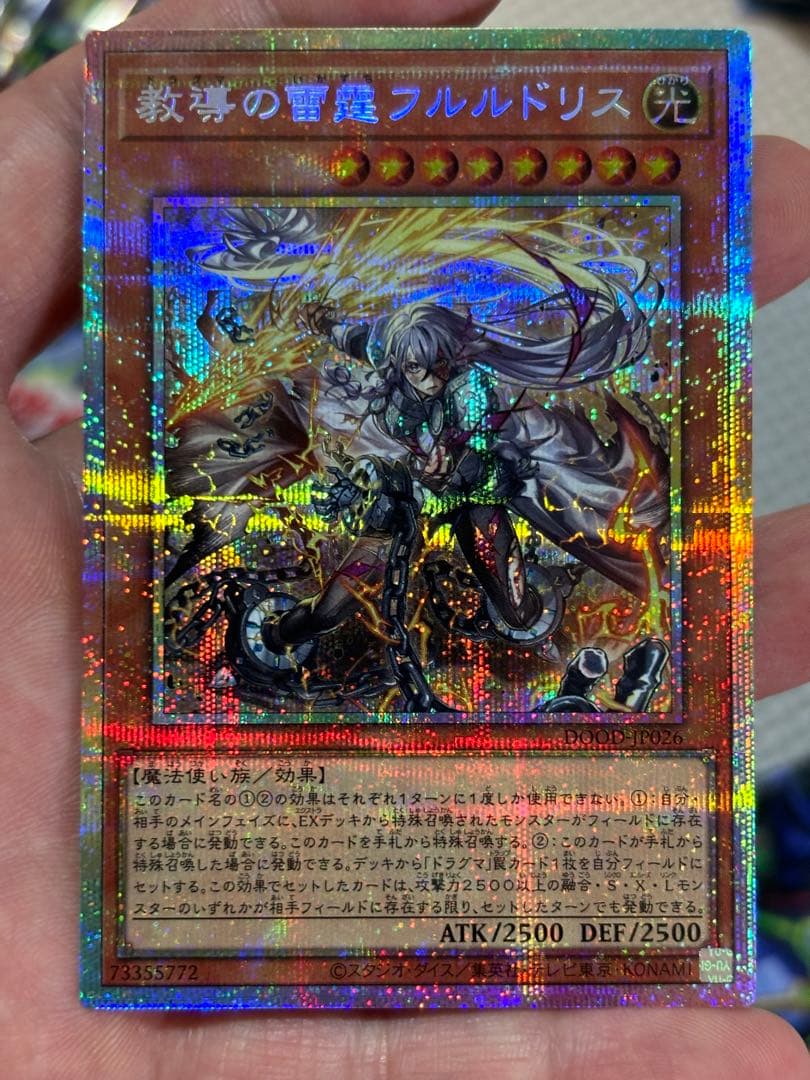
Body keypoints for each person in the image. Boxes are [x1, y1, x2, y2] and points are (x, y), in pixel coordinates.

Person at [1, 0, 809, 1075]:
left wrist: (467, 462)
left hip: (470, 495)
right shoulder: (377, 371)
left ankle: (505, 616)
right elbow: (346, 405)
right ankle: (311, 636)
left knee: (496, 543)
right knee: (363, 557)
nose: (419, 369)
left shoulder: (466, 383)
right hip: (383, 508)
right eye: (410, 362)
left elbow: (478, 438)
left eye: (427, 362)